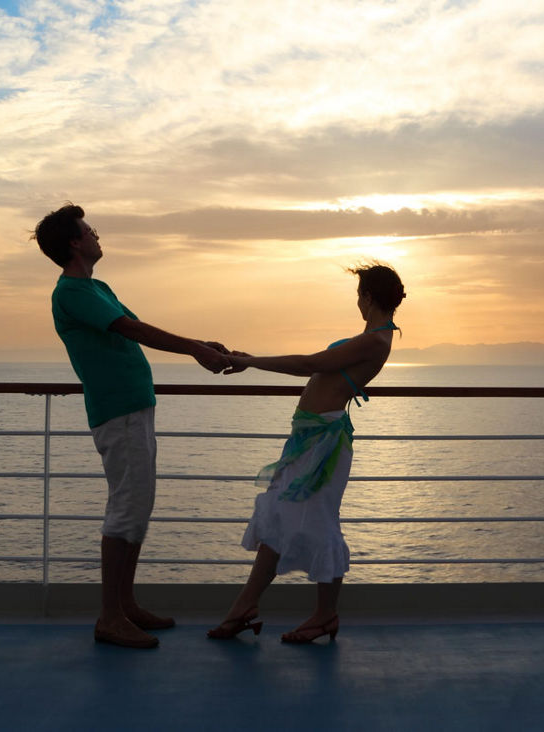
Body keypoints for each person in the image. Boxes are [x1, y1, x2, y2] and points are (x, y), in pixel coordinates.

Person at [34, 203, 232, 649]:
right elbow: (133, 330)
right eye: (90, 230)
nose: (96, 236)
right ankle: (109, 617)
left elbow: (135, 327)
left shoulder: (97, 286)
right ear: (74, 242)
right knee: (126, 506)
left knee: (138, 505)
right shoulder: (72, 292)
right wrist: (196, 349)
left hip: (134, 406)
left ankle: (125, 606)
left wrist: (201, 344)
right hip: (117, 410)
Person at [207, 263, 406, 644]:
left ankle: (324, 615)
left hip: (323, 447)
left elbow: (311, 364)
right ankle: (246, 605)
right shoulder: (371, 337)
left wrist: (249, 362)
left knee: (320, 523)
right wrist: (252, 360)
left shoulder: (375, 341)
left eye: (359, 295)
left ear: (367, 297)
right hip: (308, 441)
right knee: (277, 517)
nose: (358, 302)